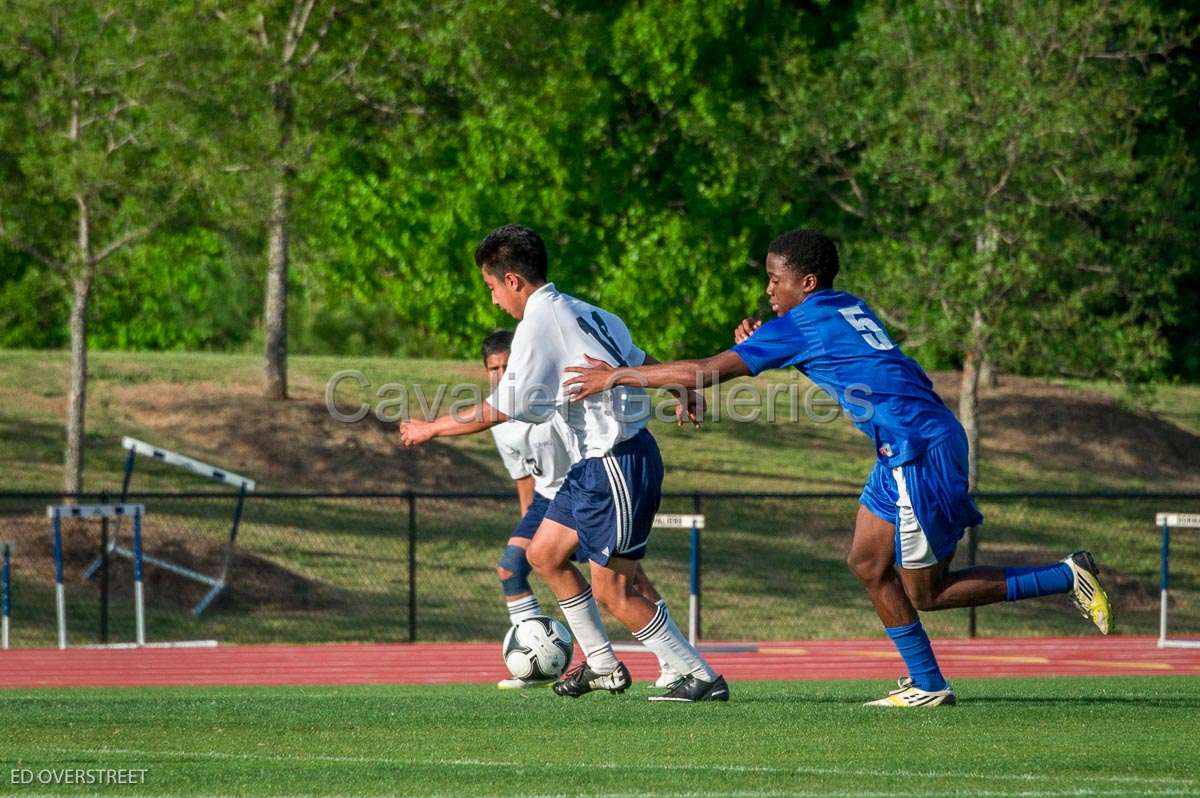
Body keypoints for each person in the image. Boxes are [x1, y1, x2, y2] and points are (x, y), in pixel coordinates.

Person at [564, 228, 1113, 708]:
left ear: (806, 282)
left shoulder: (803, 322)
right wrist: (762, 340)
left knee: (927, 592)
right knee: (867, 562)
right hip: (903, 446)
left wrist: (613, 376)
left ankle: (1065, 575)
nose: (768, 289)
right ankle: (926, 682)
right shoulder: (842, 305)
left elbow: (707, 371)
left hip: (917, 450)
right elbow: (824, 353)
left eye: (776, 279)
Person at [401, 224, 726, 702]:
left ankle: (700, 676)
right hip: (595, 464)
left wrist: (431, 428)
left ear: (512, 280)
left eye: (491, 287)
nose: (493, 300)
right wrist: (680, 389)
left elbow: (501, 409)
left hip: (616, 459)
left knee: (614, 591)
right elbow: (639, 358)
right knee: (543, 554)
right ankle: (602, 665)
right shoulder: (586, 310)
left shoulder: (538, 322)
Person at [480, 329, 682, 690]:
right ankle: (534, 661)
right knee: (512, 567)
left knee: (627, 580)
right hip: (547, 504)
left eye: (508, 365)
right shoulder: (500, 421)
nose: (501, 373)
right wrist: (531, 522)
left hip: (586, 490)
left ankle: (674, 660)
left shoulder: (542, 400)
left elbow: (583, 445)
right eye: (493, 368)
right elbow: (524, 475)